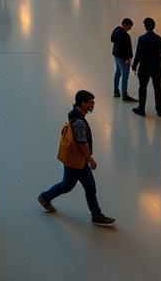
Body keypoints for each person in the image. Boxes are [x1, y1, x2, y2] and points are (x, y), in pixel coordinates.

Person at [37, 90, 115, 226]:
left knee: (89, 185)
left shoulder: (74, 114)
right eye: (91, 103)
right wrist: (90, 159)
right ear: (83, 103)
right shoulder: (79, 122)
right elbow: (82, 143)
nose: (93, 105)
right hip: (76, 161)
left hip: (76, 159)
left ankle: (96, 215)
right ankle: (45, 197)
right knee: (67, 185)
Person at [131, 17, 161, 118]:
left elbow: (138, 54)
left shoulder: (142, 39)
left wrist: (134, 66)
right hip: (157, 67)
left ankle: (141, 109)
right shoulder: (160, 39)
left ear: (145, 27)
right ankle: (159, 109)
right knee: (157, 88)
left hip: (145, 67)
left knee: (143, 88)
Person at [110, 18, 136, 102]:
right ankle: (124, 95)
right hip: (123, 59)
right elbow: (126, 48)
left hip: (116, 56)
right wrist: (127, 58)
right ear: (125, 25)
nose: (130, 28)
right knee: (125, 76)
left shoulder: (116, 30)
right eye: (129, 26)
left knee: (117, 72)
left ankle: (116, 91)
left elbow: (112, 40)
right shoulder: (125, 35)